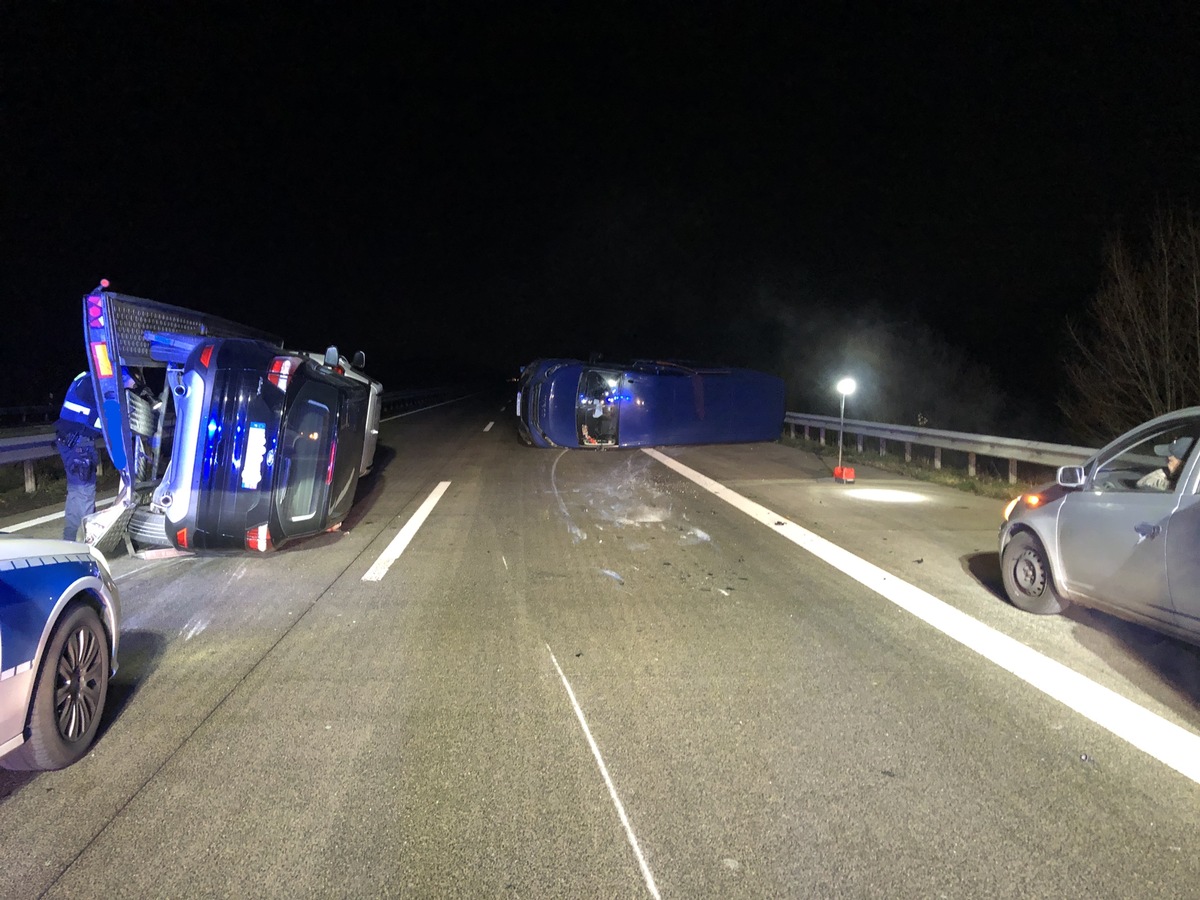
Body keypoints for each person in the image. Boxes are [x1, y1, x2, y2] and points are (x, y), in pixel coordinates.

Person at [55, 371, 103, 541]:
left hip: (72, 441)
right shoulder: (94, 384)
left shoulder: (87, 380)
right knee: (84, 492)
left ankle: (69, 539)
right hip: (79, 443)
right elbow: (103, 417)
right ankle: (90, 542)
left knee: (77, 492)